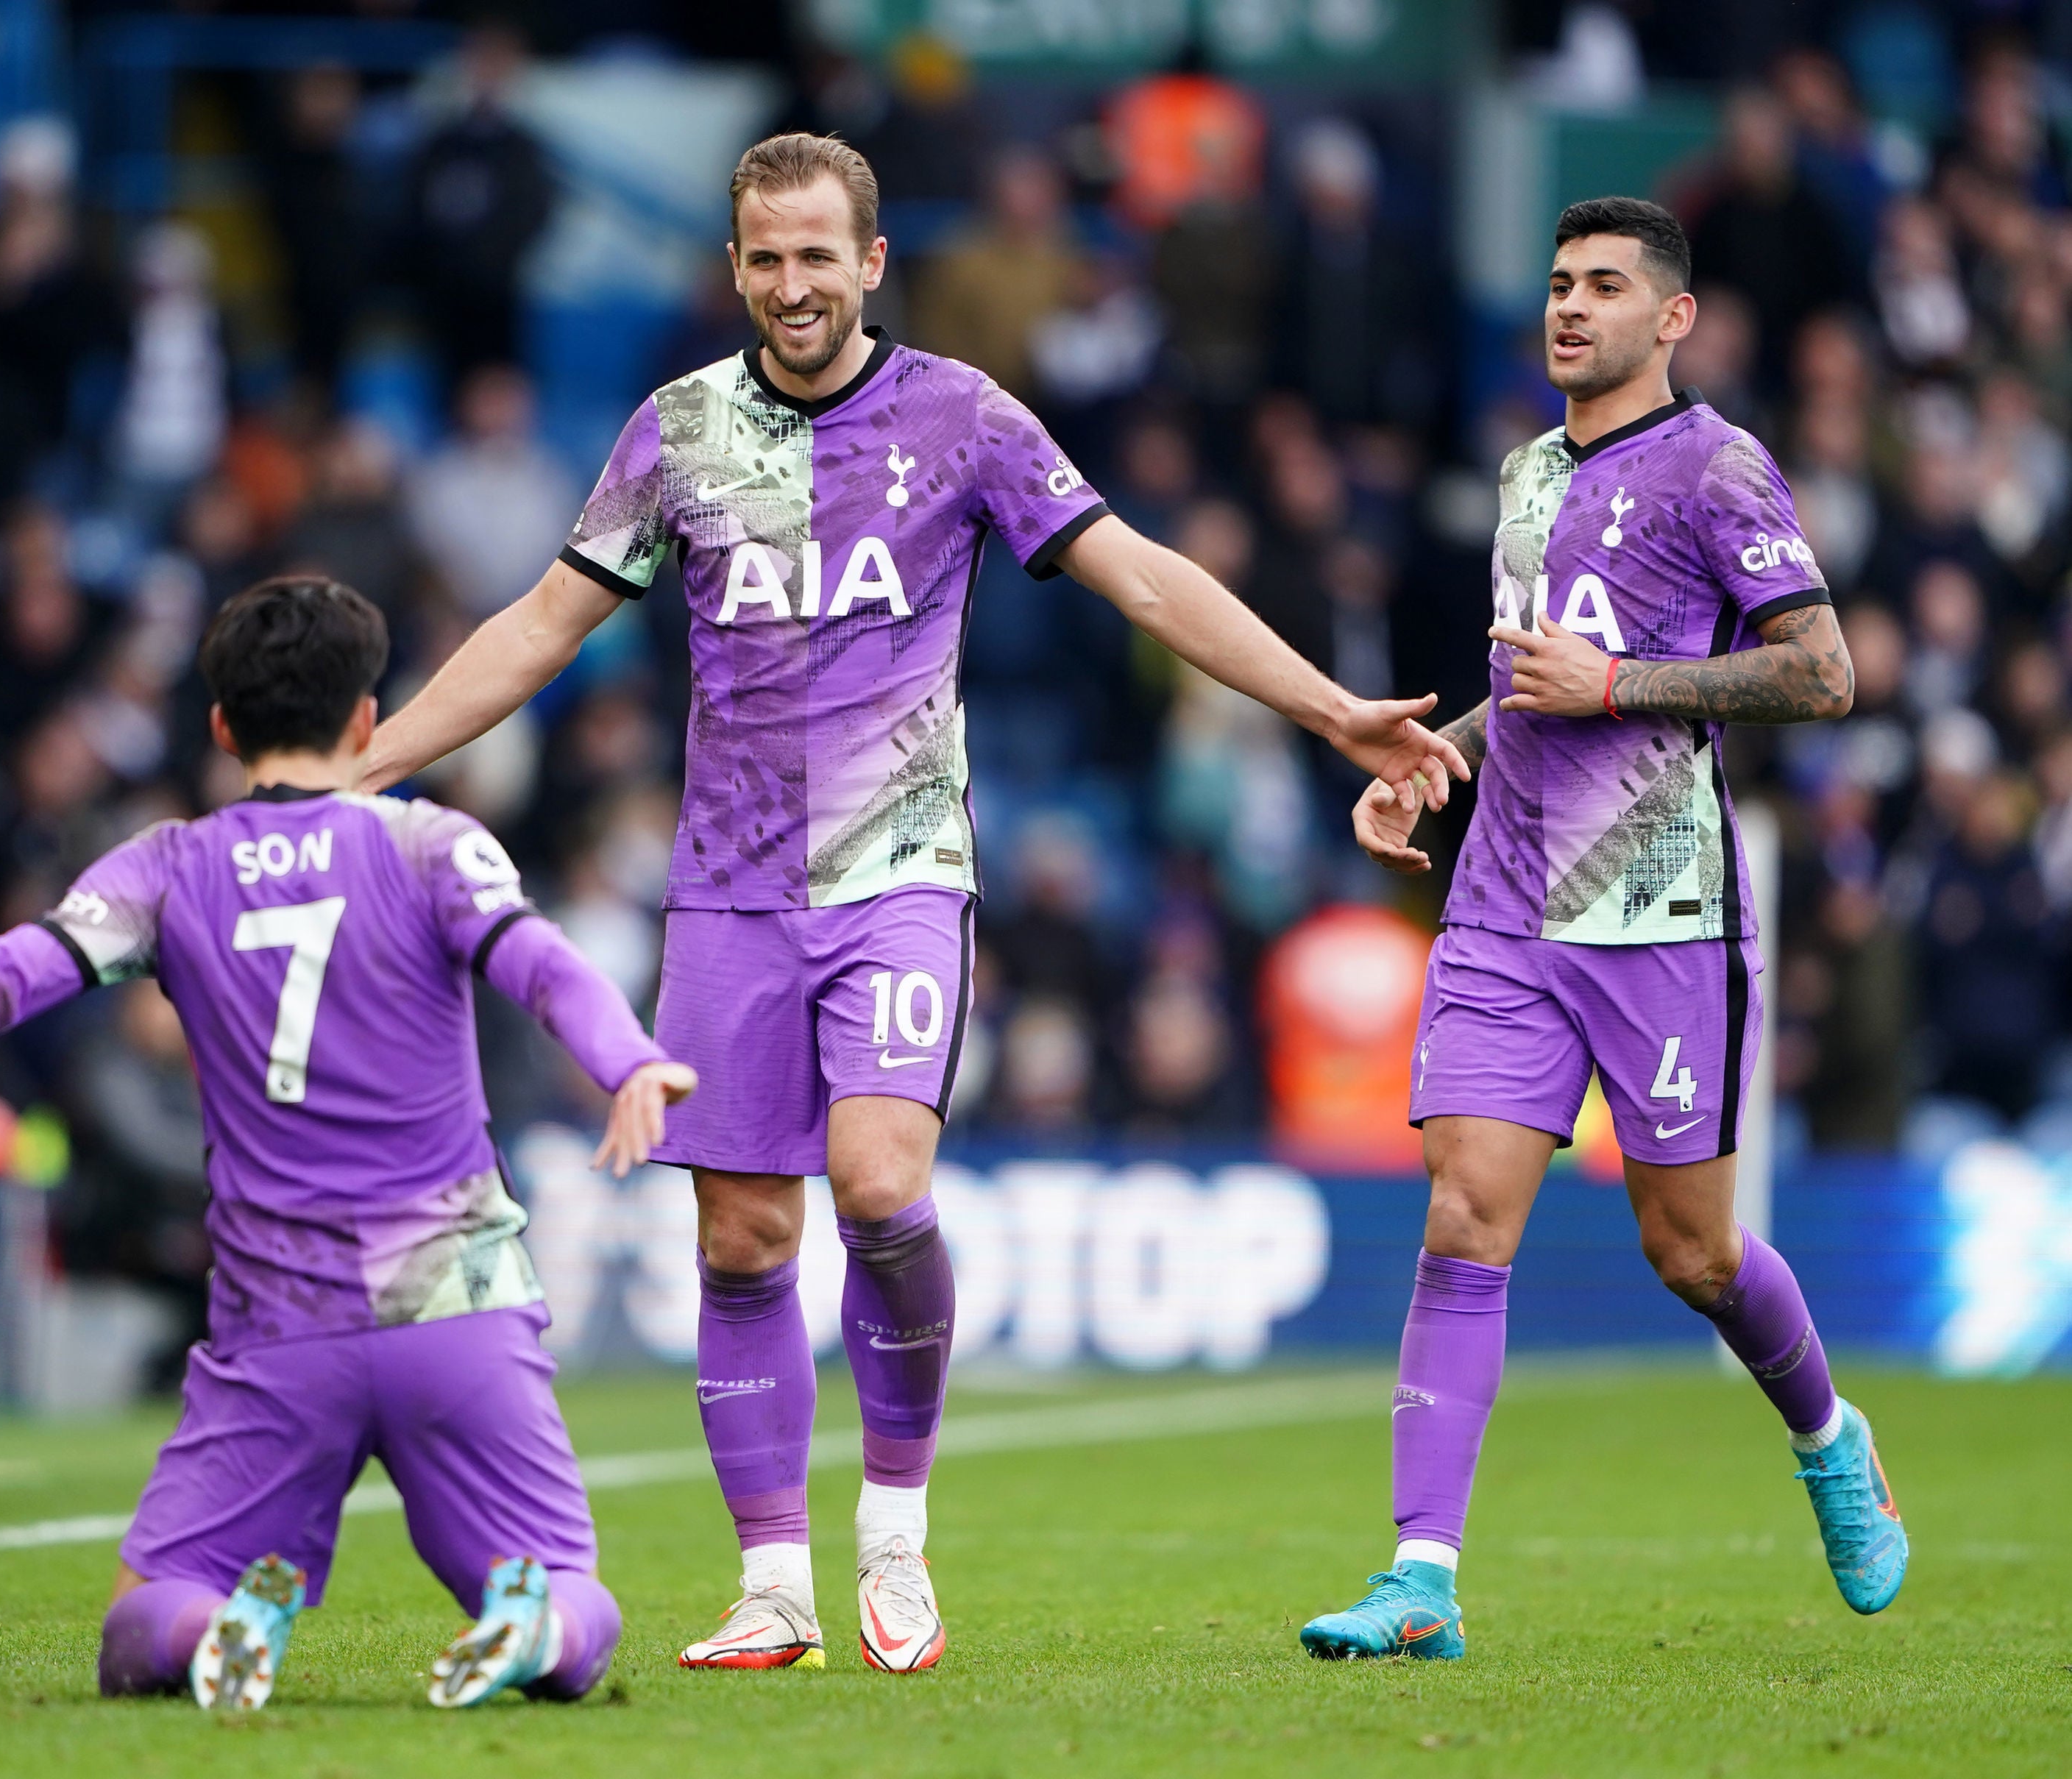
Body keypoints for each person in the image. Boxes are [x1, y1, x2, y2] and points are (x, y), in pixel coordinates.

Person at [353, 132, 1469, 1675]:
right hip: (728, 893)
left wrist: (1330, 706)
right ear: (738, 266)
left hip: (898, 874)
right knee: (742, 1238)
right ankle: (773, 1590)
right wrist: (372, 766)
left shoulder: (962, 417)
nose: (791, 284)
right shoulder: (676, 429)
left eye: (819, 255)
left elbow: (1140, 576)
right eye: (765, 257)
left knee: (877, 1182)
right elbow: (544, 624)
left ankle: (891, 1531)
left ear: (871, 263)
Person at [0, 575, 696, 1711]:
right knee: (571, 1592)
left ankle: (221, 1622)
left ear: (223, 729)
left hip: (284, 1325)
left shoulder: (166, 867)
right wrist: (628, 1055)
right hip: (458, 1308)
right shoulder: (437, 846)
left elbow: (13, 972)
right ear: (368, 721)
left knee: (146, 1615)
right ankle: (533, 1622)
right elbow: (543, 963)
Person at [1314, 196, 1898, 1661]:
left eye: (1605, 288)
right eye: (1560, 284)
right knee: (1463, 1210)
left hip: (1657, 917)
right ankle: (1420, 1581)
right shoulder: (1521, 474)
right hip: (1505, 911)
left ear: (1673, 318)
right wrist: (1428, 757)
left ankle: (1827, 1437)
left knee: (1688, 1252)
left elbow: (1820, 671)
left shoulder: (1717, 466)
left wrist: (1625, 685)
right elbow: (1532, 686)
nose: (1570, 308)